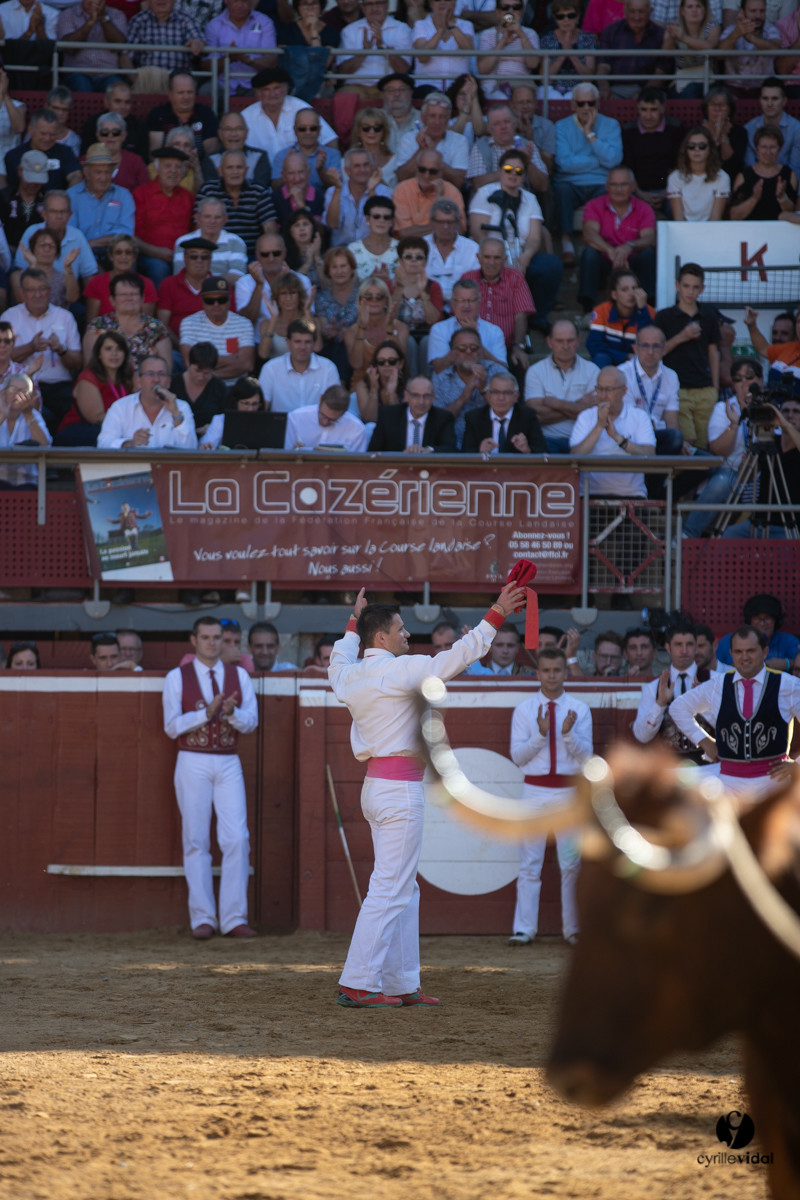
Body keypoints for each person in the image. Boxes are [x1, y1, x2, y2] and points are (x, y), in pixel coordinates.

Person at [329, 577, 527, 1007]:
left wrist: (352, 619)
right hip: (399, 792)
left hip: (377, 788)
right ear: (381, 637)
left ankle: (401, 982)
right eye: (400, 629)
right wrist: (497, 612)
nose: (407, 634)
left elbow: (339, 654)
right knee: (391, 886)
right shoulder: (397, 669)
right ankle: (358, 982)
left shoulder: (349, 675)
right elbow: (457, 657)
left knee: (402, 886)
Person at [163, 616, 258, 939]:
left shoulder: (239, 675)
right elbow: (171, 726)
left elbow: (251, 722)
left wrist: (231, 713)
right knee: (196, 839)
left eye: (218, 637)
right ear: (194, 640)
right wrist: (205, 713)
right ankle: (202, 918)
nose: (212, 643)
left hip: (228, 759)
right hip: (192, 759)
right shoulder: (177, 677)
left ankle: (233, 918)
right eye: (206, 637)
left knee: (237, 839)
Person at [507, 646, 592, 947]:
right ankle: (524, 929)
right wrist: (541, 735)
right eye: (546, 670)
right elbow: (518, 757)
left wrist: (568, 734)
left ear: (565, 672)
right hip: (534, 790)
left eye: (557, 670)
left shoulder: (579, 710)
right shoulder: (525, 710)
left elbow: (587, 759)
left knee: (571, 863)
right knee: (530, 862)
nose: (552, 675)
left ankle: (573, 929)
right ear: (538, 672)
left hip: (569, 792)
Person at [670, 623, 800, 802]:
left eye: (751, 651)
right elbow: (678, 708)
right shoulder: (718, 684)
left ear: (765, 652)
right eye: (738, 652)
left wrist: (798, 765)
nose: (744, 657)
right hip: (728, 782)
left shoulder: (788, 685)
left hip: (772, 782)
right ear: (731, 654)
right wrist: (705, 741)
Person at [468, 148, 562, 330]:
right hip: (492, 255)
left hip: (520, 254)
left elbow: (535, 237)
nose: (513, 174)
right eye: (508, 169)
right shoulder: (485, 194)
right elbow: (478, 233)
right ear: (500, 170)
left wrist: (525, 258)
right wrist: (500, 260)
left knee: (551, 265)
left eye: (519, 171)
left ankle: (538, 316)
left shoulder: (530, 199)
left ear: (524, 175)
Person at [1, 268, 82, 431]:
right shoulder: (9, 317)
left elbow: (78, 362)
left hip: (60, 387)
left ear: (50, 290)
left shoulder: (65, 317)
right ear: (21, 293)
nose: (37, 295)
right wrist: (31, 347)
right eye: (31, 290)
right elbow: (2, 356)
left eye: (42, 289)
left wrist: (61, 349)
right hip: (24, 387)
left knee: (74, 421)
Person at [553, 84, 623, 266]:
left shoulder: (611, 124)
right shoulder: (561, 127)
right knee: (561, 190)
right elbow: (564, 163)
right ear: (573, 105)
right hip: (570, 183)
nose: (586, 108)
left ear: (598, 103)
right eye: (581, 103)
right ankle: (567, 245)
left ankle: (599, 245)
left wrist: (590, 135)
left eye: (590, 103)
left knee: (611, 192)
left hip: (601, 183)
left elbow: (614, 160)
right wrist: (598, 159)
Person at [655, 262, 720, 450]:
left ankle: (699, 479)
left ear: (702, 289)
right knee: (686, 444)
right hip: (677, 389)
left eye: (695, 287)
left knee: (703, 444)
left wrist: (714, 387)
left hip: (705, 389)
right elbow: (656, 352)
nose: (690, 291)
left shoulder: (708, 316)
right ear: (677, 286)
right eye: (686, 286)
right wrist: (682, 336)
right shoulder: (664, 317)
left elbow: (713, 352)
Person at [569, 365, 656, 497]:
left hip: (631, 494)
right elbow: (574, 455)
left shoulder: (639, 416)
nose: (603, 395)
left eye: (609, 390)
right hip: (589, 494)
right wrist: (599, 426)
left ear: (624, 391)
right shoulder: (585, 417)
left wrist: (618, 438)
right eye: (599, 389)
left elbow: (650, 455)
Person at [578, 166, 656, 311]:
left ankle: (648, 307)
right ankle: (587, 309)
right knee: (589, 254)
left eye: (623, 184)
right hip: (605, 264)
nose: (618, 189)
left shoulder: (644, 208)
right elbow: (589, 234)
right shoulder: (594, 205)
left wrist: (629, 246)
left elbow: (650, 238)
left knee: (648, 255)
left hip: (631, 266)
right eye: (614, 184)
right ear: (607, 186)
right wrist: (610, 250)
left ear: (633, 186)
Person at [632, 620, 708, 760]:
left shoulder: (713, 680)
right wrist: (660, 704)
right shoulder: (653, 688)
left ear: (696, 647)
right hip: (667, 767)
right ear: (668, 647)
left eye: (689, 644)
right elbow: (641, 736)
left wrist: (706, 706)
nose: (684, 651)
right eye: (678, 644)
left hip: (708, 766)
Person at [524, 318, 599, 453]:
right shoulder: (535, 371)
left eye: (570, 340)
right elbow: (535, 415)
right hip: (547, 439)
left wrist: (557, 404)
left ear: (578, 341)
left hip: (584, 439)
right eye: (559, 341)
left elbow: (593, 413)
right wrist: (578, 405)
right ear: (549, 342)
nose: (565, 346)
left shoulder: (592, 370)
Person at [461, 237, 536, 373]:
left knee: (519, 363)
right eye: (487, 257)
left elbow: (521, 315)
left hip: (505, 347)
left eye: (496, 258)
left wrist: (518, 346)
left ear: (505, 259)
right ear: (478, 258)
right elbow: (459, 313)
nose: (491, 262)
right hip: (470, 346)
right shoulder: (467, 278)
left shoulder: (515, 278)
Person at [97, 355, 197, 449]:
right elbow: (103, 443)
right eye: (150, 374)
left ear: (169, 382)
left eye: (161, 374)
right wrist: (129, 443)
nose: (156, 380)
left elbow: (192, 449)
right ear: (139, 382)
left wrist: (176, 414)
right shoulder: (120, 407)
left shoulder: (181, 407)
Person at [84, 272, 171, 376]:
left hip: (147, 388)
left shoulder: (156, 328)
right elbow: (90, 369)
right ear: (112, 300)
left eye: (133, 294)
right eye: (123, 295)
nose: (129, 298)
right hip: (107, 388)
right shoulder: (97, 326)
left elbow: (166, 370)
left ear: (142, 299)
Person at [240, 67, 337, 160]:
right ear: (257, 93)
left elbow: (330, 140)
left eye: (277, 88)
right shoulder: (246, 117)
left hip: (299, 174)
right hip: (260, 176)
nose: (272, 94)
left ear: (286, 89)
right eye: (266, 90)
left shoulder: (301, 108)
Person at [197, 150, 278, 260]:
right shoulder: (208, 191)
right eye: (229, 168)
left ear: (246, 170)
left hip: (251, 255)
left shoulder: (258, 192)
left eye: (239, 167)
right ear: (220, 171)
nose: (235, 172)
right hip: (216, 253)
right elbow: (198, 225)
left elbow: (270, 228)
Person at [55, 328, 132, 445]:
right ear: (99, 354)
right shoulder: (88, 377)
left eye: (119, 349)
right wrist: (129, 424)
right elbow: (96, 418)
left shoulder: (127, 378)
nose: (114, 354)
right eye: (108, 349)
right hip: (80, 431)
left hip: (115, 429)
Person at [432, 326, 502, 448]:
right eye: (462, 348)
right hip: (452, 447)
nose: (469, 352)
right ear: (453, 353)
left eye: (474, 348)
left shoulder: (497, 372)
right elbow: (436, 422)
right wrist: (463, 397)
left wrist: (484, 389)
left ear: (481, 352)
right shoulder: (440, 378)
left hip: (492, 445)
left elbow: (511, 413)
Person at [133, 147, 194, 287]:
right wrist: (157, 252)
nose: (173, 171)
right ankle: (159, 308)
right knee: (159, 268)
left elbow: (195, 231)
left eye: (178, 167)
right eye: (168, 166)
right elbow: (134, 238)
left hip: (183, 256)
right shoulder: (141, 194)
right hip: (150, 255)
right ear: (156, 169)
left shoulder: (188, 197)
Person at [619, 325, 684, 455]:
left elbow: (672, 420)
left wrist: (679, 445)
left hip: (659, 436)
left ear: (664, 349)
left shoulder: (671, 376)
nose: (650, 351)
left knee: (679, 441)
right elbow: (631, 420)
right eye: (644, 346)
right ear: (635, 349)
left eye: (656, 346)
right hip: (630, 436)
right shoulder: (622, 374)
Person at [178, 277, 255, 384]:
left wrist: (207, 374)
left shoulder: (244, 324)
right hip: (202, 387)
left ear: (229, 299)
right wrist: (232, 359)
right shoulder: (188, 323)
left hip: (234, 389)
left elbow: (246, 364)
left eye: (221, 299)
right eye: (209, 300)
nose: (216, 304)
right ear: (201, 300)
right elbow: (189, 363)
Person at [622, 87, 685, 214]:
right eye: (644, 110)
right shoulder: (628, 131)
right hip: (637, 191)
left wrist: (665, 193)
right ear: (638, 109)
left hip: (670, 190)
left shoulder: (675, 128)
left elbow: (681, 165)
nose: (648, 116)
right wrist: (640, 194)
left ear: (663, 108)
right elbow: (627, 167)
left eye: (653, 110)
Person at [66, 142, 136, 256]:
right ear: (87, 173)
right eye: (98, 172)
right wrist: (87, 247)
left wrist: (92, 243)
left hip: (114, 253)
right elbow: (70, 233)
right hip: (81, 253)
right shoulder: (71, 196)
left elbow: (126, 233)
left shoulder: (123, 195)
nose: (103, 178)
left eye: (107, 172)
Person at [258, 318, 340, 413]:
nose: (302, 347)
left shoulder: (328, 368)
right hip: (283, 426)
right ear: (288, 343)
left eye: (307, 342)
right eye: (298, 342)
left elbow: (334, 407)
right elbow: (262, 407)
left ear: (314, 343)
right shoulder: (271, 368)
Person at [395, 93, 469, 191]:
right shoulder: (408, 138)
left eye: (442, 117)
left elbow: (459, 182)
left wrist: (432, 153)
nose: (437, 122)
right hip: (413, 193)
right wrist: (421, 150)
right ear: (422, 118)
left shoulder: (460, 141)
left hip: (446, 195)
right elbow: (401, 177)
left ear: (448, 120)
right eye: (432, 116)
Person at [427, 277, 506, 370]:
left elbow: (502, 369)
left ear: (479, 302)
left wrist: (475, 339)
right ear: (452, 303)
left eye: (471, 300)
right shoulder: (439, 329)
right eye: (461, 300)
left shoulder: (494, 331)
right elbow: (438, 368)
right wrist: (463, 341)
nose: (466, 305)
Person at [344, 277, 409, 387]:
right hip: (361, 386)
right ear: (360, 301)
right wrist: (362, 328)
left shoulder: (401, 328)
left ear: (386, 301)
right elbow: (356, 364)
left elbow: (400, 361)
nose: (374, 300)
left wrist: (390, 329)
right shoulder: (351, 332)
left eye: (379, 296)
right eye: (368, 296)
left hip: (393, 385)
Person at [205, 0, 278, 98]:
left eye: (244, 1)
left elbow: (271, 63)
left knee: (269, 92)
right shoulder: (214, 25)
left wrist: (245, 59)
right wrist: (229, 58)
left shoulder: (264, 22)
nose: (239, 5)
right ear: (226, 1)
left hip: (256, 84)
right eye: (235, 1)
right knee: (205, 91)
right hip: (223, 84)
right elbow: (206, 66)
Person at [462, 369, 546, 455]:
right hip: (486, 468)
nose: (501, 398)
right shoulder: (474, 417)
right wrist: (479, 452)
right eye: (495, 392)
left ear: (516, 396)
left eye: (507, 393)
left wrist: (527, 450)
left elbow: (543, 452)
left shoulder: (528, 416)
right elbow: (464, 455)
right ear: (488, 395)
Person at [337, 0, 412, 95]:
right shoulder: (349, 31)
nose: (374, 8)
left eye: (379, 3)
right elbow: (343, 72)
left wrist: (383, 47)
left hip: (389, 87)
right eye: (369, 4)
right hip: (356, 86)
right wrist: (364, 52)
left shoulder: (402, 29)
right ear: (362, 8)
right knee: (343, 97)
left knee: (397, 95)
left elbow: (403, 70)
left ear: (387, 5)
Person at [586, 268, 655, 369]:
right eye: (624, 289)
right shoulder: (601, 311)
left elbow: (649, 343)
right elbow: (594, 345)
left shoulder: (649, 312)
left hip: (636, 365)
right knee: (601, 358)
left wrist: (642, 311)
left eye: (634, 288)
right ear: (614, 294)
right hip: (609, 364)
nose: (631, 293)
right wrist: (625, 356)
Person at [322, 148, 392, 248]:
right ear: (347, 171)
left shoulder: (383, 191)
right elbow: (332, 224)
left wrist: (372, 192)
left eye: (366, 165)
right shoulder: (333, 191)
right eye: (357, 166)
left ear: (372, 168)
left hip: (372, 249)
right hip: (341, 251)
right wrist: (338, 189)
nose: (362, 170)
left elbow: (384, 222)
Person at [597, 0, 668, 98]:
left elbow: (662, 70)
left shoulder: (660, 34)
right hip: (616, 89)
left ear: (650, 11)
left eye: (641, 12)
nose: (636, 17)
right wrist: (603, 88)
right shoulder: (611, 32)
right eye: (632, 11)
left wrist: (645, 92)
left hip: (649, 90)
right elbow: (603, 66)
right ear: (625, 11)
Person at [57, 0, 131, 93]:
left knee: (119, 91)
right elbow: (70, 49)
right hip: (78, 73)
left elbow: (119, 44)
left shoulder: (117, 15)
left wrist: (104, 17)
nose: (93, 1)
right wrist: (90, 22)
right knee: (82, 86)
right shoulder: (68, 14)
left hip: (109, 75)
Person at [367, 375, 456, 452]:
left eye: (426, 396)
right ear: (406, 396)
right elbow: (374, 451)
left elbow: (451, 449)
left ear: (433, 397)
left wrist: (429, 450)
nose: (421, 401)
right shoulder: (388, 416)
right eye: (415, 395)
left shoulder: (443, 418)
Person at [2, 109, 82, 193]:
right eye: (43, 133)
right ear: (30, 130)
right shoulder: (14, 155)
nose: (47, 138)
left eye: (52, 134)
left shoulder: (65, 152)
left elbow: (75, 175)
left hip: (56, 202)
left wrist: (70, 195)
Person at [126, 0, 204, 84]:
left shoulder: (186, 20)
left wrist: (197, 43)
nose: (161, 1)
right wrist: (137, 83)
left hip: (180, 82)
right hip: (148, 82)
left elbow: (199, 40)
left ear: (174, 1)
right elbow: (125, 57)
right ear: (148, 1)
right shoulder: (138, 21)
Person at [277, 0, 339, 104]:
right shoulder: (286, 31)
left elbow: (322, 63)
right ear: (298, 8)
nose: (309, 7)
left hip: (320, 83)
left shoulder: (332, 33)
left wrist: (313, 31)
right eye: (305, 4)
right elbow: (287, 63)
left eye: (314, 3)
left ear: (321, 6)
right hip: (293, 82)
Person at [392, 150, 466, 238]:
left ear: (441, 172)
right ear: (416, 168)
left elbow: (459, 231)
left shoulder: (452, 191)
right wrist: (443, 226)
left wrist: (440, 201)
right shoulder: (403, 189)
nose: (426, 176)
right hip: (412, 247)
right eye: (422, 170)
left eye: (433, 171)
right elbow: (404, 233)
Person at [716, 593, 799, 671]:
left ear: (776, 620)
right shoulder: (728, 641)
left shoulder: (789, 641)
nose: (762, 623)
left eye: (767, 618)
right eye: (758, 618)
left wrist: (788, 663)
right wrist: (733, 668)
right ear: (749, 620)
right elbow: (714, 670)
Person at [730, 126, 798, 220]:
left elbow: (792, 212)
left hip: (781, 232)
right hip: (750, 232)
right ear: (756, 149)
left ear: (779, 150)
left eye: (772, 147)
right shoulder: (743, 176)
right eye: (764, 147)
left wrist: (782, 197)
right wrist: (754, 198)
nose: (768, 152)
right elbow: (734, 216)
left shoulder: (790, 175)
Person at [475, 2, 540, 100]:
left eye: (516, 7)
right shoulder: (487, 34)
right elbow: (482, 69)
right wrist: (503, 41)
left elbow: (533, 64)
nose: (510, 11)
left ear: (522, 11)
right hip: (494, 85)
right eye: (505, 8)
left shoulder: (530, 34)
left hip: (521, 84)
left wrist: (521, 34)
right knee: (501, 97)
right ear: (497, 12)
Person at [667, 126, 731, 221]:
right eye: (691, 146)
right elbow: (679, 219)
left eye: (702, 146)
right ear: (686, 149)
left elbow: (715, 218)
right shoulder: (675, 177)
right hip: (683, 231)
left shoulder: (722, 177)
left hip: (711, 231)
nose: (696, 150)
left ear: (710, 149)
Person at [411, 0, 475, 94]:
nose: (442, 2)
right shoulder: (420, 25)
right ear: (430, 3)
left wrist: (451, 25)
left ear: (454, 2)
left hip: (458, 87)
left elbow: (468, 50)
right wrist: (441, 29)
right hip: (427, 86)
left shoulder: (466, 25)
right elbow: (423, 57)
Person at [423, 198, 479, 303]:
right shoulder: (421, 246)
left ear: (458, 222)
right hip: (427, 307)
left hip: (463, 307)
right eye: (440, 222)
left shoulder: (472, 249)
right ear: (431, 223)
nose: (445, 227)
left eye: (450, 222)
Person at [269, 107, 340, 191]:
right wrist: (288, 169)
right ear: (295, 130)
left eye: (313, 128)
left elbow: (336, 186)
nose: (308, 132)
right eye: (302, 129)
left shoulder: (332, 154)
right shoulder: (282, 155)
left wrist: (321, 170)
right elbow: (275, 187)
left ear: (319, 130)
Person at [79, 79, 149, 163]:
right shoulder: (93, 123)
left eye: (127, 102)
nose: (123, 106)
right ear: (106, 102)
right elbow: (85, 156)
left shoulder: (139, 126)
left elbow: (144, 161)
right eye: (117, 101)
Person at [0, 371, 50, 488]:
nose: (18, 395)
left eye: (23, 392)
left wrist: (28, 415)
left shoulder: (33, 415)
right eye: (13, 389)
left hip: (27, 482)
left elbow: (45, 446)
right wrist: (2, 416)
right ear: (3, 393)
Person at [537, 0, 596, 99]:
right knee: (544, 91)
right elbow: (545, 79)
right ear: (555, 19)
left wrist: (572, 54)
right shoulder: (547, 39)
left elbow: (589, 78)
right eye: (560, 17)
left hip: (580, 87)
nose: (566, 20)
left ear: (578, 17)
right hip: (554, 87)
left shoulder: (588, 38)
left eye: (571, 15)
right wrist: (563, 54)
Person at [285, 383, 368, 451]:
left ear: (344, 413)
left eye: (332, 420)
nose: (325, 422)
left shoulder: (357, 429)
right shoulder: (295, 418)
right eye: (322, 415)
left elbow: (357, 464)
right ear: (320, 399)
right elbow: (283, 454)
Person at [719, 0, 780, 93]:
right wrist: (736, 34)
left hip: (764, 90)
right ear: (742, 12)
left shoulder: (771, 29)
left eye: (762, 11)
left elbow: (776, 48)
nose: (758, 16)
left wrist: (751, 37)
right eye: (753, 11)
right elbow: (719, 55)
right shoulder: (731, 31)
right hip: (733, 88)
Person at [202, 110, 272, 191]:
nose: (234, 134)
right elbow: (212, 190)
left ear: (247, 132)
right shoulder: (211, 159)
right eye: (228, 129)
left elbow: (260, 189)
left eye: (239, 129)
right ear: (220, 134)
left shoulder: (259, 157)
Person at [662, 0, 720, 97]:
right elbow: (666, 53)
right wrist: (671, 38)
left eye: (698, 6)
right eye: (689, 7)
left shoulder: (712, 27)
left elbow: (710, 46)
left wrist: (683, 38)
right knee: (690, 90)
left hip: (707, 78)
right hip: (681, 80)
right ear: (682, 11)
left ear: (704, 10)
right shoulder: (675, 27)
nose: (694, 10)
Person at [258, 271, 319, 362]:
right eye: (283, 293)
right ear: (276, 297)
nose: (288, 298)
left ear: (299, 295)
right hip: (276, 373)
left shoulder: (311, 321)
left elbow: (317, 348)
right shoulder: (266, 324)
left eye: (292, 293)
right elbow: (263, 354)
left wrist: (307, 311)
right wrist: (274, 320)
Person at [12, 227, 78, 310]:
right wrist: (33, 266)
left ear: (57, 251)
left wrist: (68, 268)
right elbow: (23, 301)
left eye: (51, 246)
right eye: (42, 245)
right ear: (33, 249)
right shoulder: (17, 276)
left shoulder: (64, 277)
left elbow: (73, 298)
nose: (47, 250)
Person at [170, 342, 227, 438]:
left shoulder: (219, 388)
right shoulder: (173, 384)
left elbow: (224, 420)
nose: (201, 377)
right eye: (197, 371)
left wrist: (213, 428)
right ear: (188, 363)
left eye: (206, 373)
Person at [743, 77, 800, 173]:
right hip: (756, 183)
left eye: (775, 98)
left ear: (784, 101)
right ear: (760, 100)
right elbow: (750, 169)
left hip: (788, 183)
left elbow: (795, 169)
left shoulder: (797, 129)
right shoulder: (749, 129)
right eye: (765, 98)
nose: (769, 104)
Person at [701, 85, 748, 186]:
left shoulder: (740, 132)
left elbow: (732, 164)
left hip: (730, 181)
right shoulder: (696, 132)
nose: (717, 109)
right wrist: (715, 135)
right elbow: (702, 160)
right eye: (713, 105)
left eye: (722, 105)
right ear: (706, 108)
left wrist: (723, 135)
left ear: (730, 109)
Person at [354, 338, 407, 422]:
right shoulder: (363, 385)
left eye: (392, 361)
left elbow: (400, 420)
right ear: (376, 364)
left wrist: (392, 394)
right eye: (381, 361)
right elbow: (369, 419)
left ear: (401, 363)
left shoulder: (409, 386)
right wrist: (374, 389)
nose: (386, 364)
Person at [348, 195, 398, 281]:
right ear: (367, 219)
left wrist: (389, 283)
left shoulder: (401, 249)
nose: (381, 221)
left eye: (386, 217)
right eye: (376, 216)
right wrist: (370, 280)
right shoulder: (352, 250)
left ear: (392, 221)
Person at [271, 150, 325, 229]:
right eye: (291, 173)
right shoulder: (274, 199)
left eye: (301, 172)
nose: (297, 178)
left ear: (308, 172)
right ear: (283, 176)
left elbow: (320, 231)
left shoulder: (319, 197)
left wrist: (302, 206)